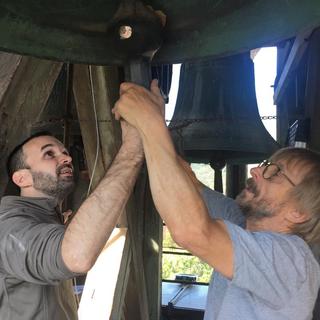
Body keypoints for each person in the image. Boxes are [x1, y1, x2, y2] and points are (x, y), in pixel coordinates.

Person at [113, 80, 320, 320]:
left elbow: (193, 232)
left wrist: (149, 123)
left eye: (274, 172)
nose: (255, 171)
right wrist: (158, 123)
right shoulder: (243, 223)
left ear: (299, 213)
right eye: (265, 165)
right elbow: (190, 182)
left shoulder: (292, 261)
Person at [0, 120, 143, 320]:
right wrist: (131, 153)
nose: (66, 158)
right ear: (22, 179)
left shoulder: (46, 215)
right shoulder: (8, 228)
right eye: (49, 154)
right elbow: (76, 257)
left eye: (64, 152)